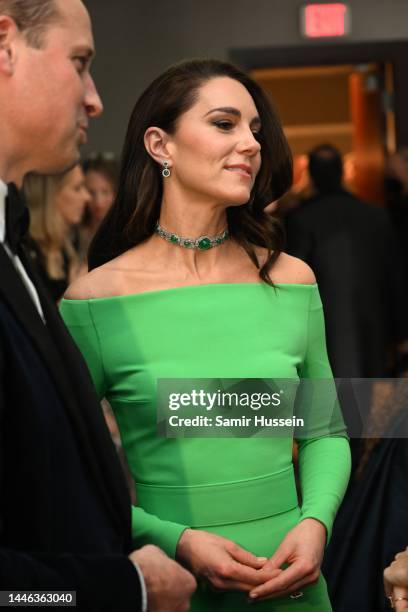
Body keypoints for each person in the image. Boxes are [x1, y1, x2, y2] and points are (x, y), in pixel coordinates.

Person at [61, 58, 351, 611]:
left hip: (295, 583)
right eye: (225, 123)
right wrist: (178, 541)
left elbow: (324, 431)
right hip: (175, 587)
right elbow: (60, 476)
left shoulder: (291, 280)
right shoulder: (96, 302)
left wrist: (315, 524)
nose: (250, 143)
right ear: (160, 145)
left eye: (255, 130)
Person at [0, 1, 196, 610]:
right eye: (79, 63)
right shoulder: (95, 288)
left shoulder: (14, 245)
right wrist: (124, 589)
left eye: (257, 127)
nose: (94, 99)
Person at [23, 165, 88, 301]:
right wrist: (74, 290)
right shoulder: (26, 251)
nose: (87, 197)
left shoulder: (69, 245)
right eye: (77, 188)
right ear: (50, 195)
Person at [78, 154, 118, 264]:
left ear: (116, 192)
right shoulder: (73, 234)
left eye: (105, 192)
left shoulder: (128, 234)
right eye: (91, 192)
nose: (98, 202)